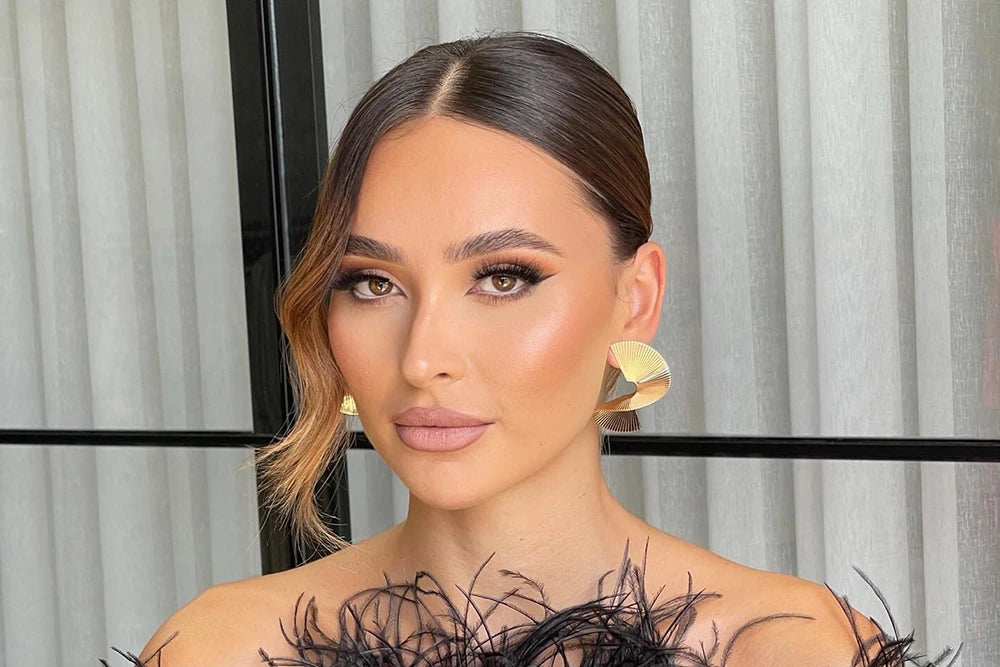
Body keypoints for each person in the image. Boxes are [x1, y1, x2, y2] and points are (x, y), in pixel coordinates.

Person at [107, 31, 954, 666]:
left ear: (637, 297)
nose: (422, 357)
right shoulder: (222, 646)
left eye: (504, 276)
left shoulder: (787, 647)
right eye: (372, 282)